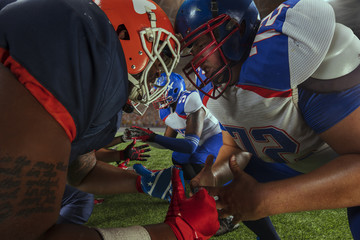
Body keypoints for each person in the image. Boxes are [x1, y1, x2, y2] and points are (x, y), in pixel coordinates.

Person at [0, 0, 220, 239]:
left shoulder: (105, 94)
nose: (159, 72)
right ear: (123, 34)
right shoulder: (83, 46)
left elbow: (82, 172)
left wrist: (144, 181)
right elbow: (25, 234)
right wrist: (171, 234)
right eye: (159, 53)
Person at [174, 0, 360, 239]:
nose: (197, 59)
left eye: (201, 44)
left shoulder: (292, 55)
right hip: (303, 162)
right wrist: (216, 174)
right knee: (237, 178)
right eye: (193, 48)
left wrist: (267, 200)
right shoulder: (224, 84)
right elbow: (235, 147)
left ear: (234, 29)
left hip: (343, 161)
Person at [127, 72, 280, 238]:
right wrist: (145, 136)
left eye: (158, 90)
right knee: (178, 158)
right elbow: (167, 141)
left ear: (172, 90)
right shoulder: (165, 111)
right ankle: (205, 201)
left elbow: (190, 145)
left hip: (219, 137)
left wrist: (152, 136)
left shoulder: (189, 100)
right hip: (203, 143)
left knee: (195, 159)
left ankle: (226, 211)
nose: (153, 94)